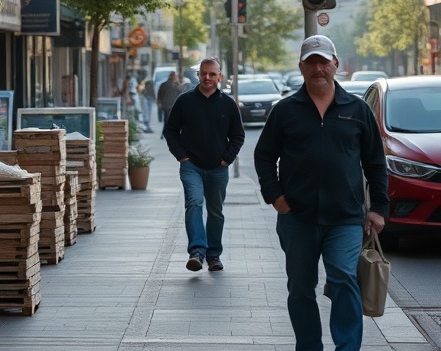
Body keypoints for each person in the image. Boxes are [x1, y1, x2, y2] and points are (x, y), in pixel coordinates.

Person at [253, 35, 387, 351]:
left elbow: (375, 161)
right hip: (297, 217)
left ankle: (347, 347)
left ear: (335, 65)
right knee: (300, 288)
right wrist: (275, 196)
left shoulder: (357, 110)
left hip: (345, 218)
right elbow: (263, 155)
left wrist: (378, 207)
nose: (318, 68)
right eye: (311, 61)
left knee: (343, 278)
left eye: (323, 61)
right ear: (301, 67)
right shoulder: (285, 110)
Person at [163, 56, 245, 271]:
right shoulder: (185, 100)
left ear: (220, 77)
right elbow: (170, 131)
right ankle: (197, 253)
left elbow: (238, 136)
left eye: (212, 74)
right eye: (204, 73)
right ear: (198, 75)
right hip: (192, 166)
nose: (207, 77)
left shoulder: (228, 104)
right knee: (194, 203)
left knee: (216, 212)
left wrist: (227, 158)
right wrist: (181, 156)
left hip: (218, 168)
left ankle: (214, 256)